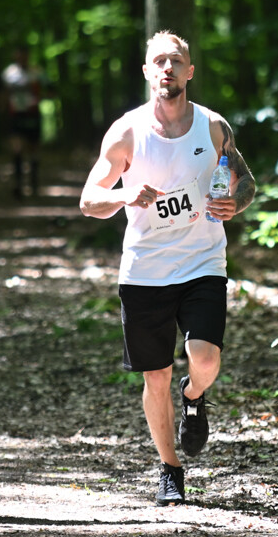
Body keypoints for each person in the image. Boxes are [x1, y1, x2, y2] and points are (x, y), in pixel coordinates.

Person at [78, 31, 256, 506]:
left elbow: (246, 181)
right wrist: (121, 195)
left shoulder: (213, 127)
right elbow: (88, 200)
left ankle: (195, 397)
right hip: (146, 270)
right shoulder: (127, 132)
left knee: (206, 358)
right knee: (154, 376)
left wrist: (233, 204)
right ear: (146, 71)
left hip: (202, 261)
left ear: (190, 70)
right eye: (158, 61)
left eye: (175, 61)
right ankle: (170, 471)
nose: (167, 69)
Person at [1, 47, 46, 198]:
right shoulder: (9, 73)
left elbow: (49, 90)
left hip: (33, 114)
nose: (23, 59)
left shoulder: (37, 72)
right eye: (20, 56)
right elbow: (5, 94)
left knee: (33, 150)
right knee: (17, 149)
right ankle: (18, 184)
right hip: (16, 116)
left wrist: (39, 96)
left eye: (25, 56)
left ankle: (33, 183)